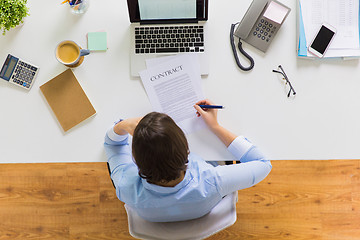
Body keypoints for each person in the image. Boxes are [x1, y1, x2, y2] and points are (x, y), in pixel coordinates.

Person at [104, 99, 272, 222]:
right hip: (201, 208)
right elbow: (264, 164)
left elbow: (111, 144)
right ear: (186, 149)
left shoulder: (125, 186)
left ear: (136, 159)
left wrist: (123, 125)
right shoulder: (212, 181)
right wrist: (215, 126)